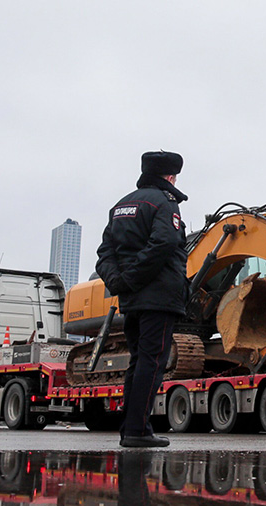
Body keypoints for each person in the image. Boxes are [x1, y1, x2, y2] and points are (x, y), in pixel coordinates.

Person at [96, 151, 189, 448]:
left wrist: (119, 282)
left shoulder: (121, 206)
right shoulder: (164, 203)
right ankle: (137, 430)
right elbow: (164, 243)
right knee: (152, 362)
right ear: (171, 177)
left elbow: (104, 254)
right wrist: (132, 279)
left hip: (132, 301)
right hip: (159, 298)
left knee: (138, 362)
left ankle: (132, 429)